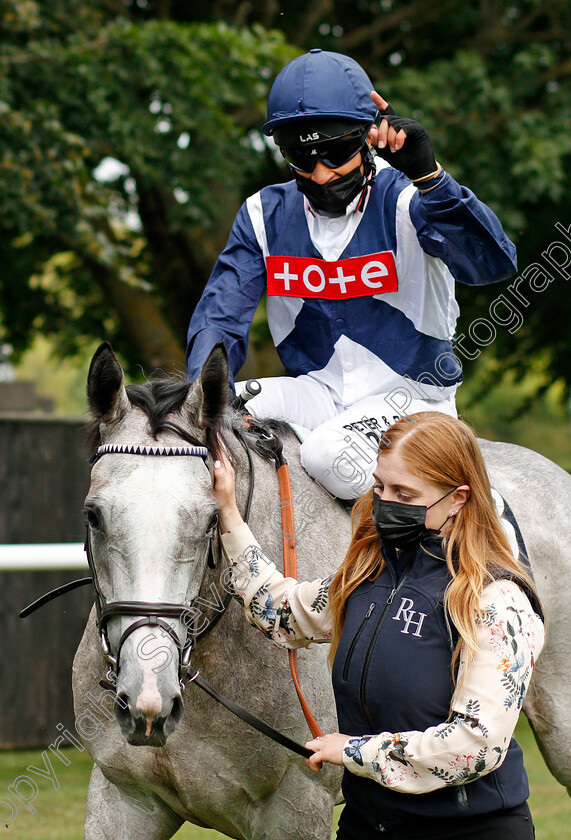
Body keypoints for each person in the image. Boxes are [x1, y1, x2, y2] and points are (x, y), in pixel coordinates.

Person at [187, 49, 518, 499]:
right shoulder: (262, 214)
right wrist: (201, 394)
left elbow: (492, 264)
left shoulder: (410, 198)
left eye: (338, 151)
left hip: (414, 400)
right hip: (317, 393)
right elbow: (220, 319)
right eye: (302, 157)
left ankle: (478, 520)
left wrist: (430, 176)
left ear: (367, 136)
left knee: (327, 456)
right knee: (197, 417)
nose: (322, 174)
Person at [213, 412, 544, 840]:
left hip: (469, 830)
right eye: (380, 486)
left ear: (458, 498)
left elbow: (475, 746)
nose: (385, 502)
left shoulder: (497, 599)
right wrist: (229, 515)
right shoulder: (365, 577)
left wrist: (352, 750)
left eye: (405, 493)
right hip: (367, 826)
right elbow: (281, 612)